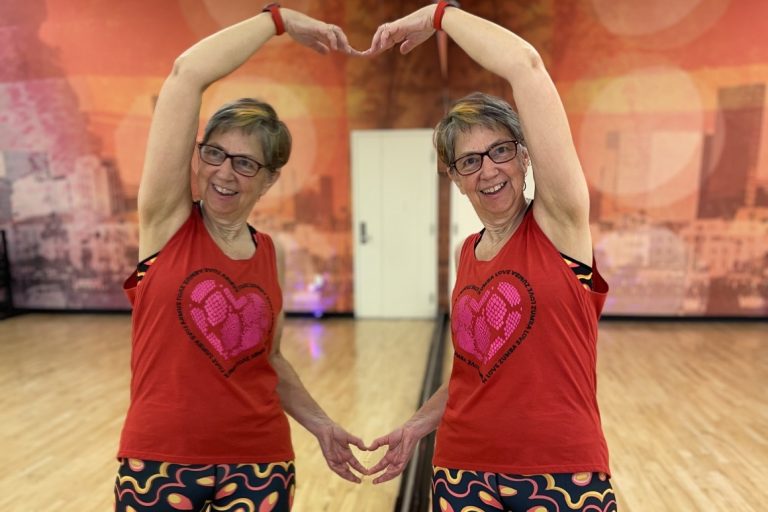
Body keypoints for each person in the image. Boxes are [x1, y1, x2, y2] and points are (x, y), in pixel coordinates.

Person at [363, 3, 617, 511]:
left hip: (562, 471)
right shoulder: (468, 254)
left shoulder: (559, 226)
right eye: (469, 161)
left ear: (526, 156)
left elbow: (525, 66)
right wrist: (416, 425)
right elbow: (472, 372)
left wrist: (440, 15)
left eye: (500, 151)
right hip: (461, 472)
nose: (488, 170)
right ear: (455, 179)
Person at [114, 6, 367, 511]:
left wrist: (321, 425)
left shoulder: (269, 255)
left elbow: (268, 361)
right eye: (214, 154)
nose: (224, 173)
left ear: (271, 178)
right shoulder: (167, 223)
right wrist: (276, 21)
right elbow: (187, 74)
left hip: (259, 463)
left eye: (246, 163)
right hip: (161, 459)